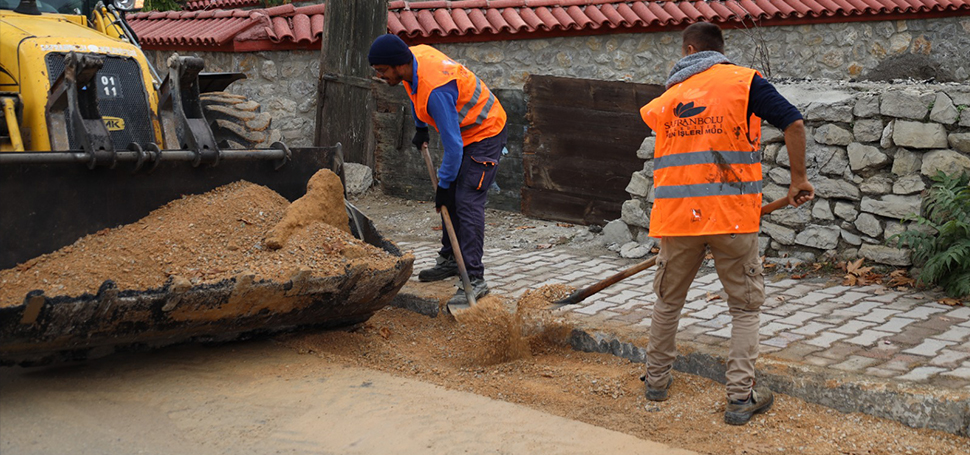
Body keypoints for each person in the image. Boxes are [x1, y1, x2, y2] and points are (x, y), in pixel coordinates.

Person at [638, 22, 815, 426]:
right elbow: (794, 122)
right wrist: (798, 179)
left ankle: (656, 382)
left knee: (667, 301)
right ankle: (739, 398)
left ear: (688, 50)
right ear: (719, 50)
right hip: (734, 219)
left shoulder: (669, 97)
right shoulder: (743, 82)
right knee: (745, 308)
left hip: (678, 220)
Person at [368, 34, 508, 306]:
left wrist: (443, 186)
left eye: (383, 71)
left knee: (466, 201)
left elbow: (453, 147)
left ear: (398, 65)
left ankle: (475, 279)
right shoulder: (413, 60)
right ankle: (450, 260)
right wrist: (421, 127)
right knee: (454, 196)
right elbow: (412, 88)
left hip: (485, 132)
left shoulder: (436, 90)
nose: (381, 77)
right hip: (465, 132)